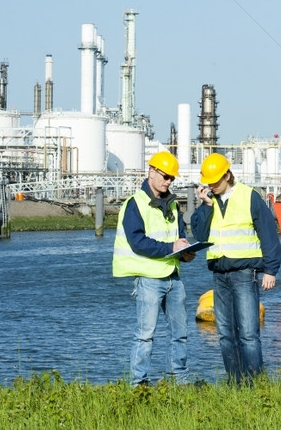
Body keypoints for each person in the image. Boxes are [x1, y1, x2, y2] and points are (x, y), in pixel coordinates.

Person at [190, 153, 281, 384]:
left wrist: (270, 270)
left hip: (244, 273)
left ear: (227, 175)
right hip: (219, 274)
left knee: (248, 335)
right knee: (226, 336)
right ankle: (235, 383)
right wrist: (206, 206)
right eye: (209, 183)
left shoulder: (249, 196)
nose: (212, 186)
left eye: (216, 182)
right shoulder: (210, 201)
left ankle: (254, 385)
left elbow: (268, 233)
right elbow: (200, 235)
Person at [112, 150, 196, 386]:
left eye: (171, 178)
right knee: (145, 336)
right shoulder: (134, 204)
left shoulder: (172, 204)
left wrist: (185, 252)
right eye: (165, 175)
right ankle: (139, 384)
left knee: (180, 334)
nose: (168, 181)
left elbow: (179, 236)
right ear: (151, 172)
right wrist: (171, 247)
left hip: (173, 276)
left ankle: (180, 381)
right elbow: (137, 242)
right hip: (149, 278)